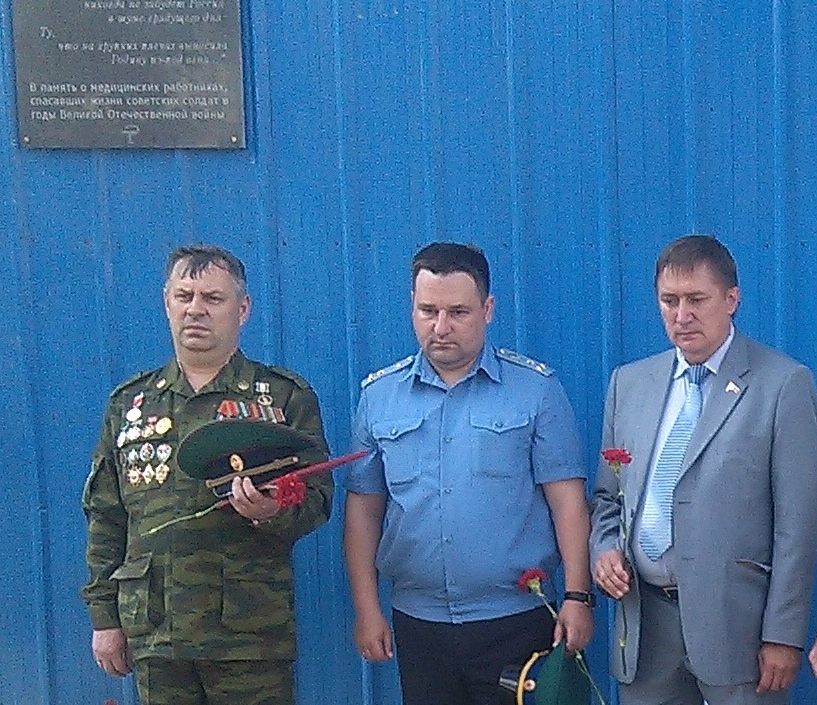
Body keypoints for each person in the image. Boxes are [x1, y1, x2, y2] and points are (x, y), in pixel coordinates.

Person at [80, 244, 332, 705]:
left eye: (213, 298)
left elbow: (317, 498)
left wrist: (271, 511)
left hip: (248, 633)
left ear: (243, 308)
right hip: (156, 631)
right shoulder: (130, 404)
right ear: (167, 303)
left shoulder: (282, 398)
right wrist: (104, 617)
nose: (196, 309)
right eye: (184, 296)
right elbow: (107, 517)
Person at [343, 241, 593, 705]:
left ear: (488, 309)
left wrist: (578, 597)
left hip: (516, 619)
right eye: (428, 311)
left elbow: (568, 503)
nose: (441, 327)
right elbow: (363, 510)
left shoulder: (535, 390)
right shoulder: (379, 398)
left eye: (458, 312)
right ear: (413, 307)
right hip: (419, 624)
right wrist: (366, 608)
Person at [590, 234, 817, 705]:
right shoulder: (628, 384)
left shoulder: (782, 385)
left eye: (696, 300)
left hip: (739, 632)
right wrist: (605, 548)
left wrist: (783, 634)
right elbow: (609, 497)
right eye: (669, 301)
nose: (681, 315)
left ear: (731, 300)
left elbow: (797, 523)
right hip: (647, 626)